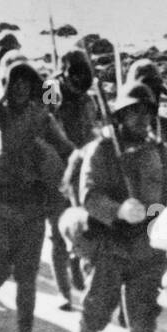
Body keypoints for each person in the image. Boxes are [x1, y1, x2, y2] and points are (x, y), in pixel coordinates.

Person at [70, 81, 167, 332]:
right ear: (120, 115)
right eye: (134, 112)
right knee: (98, 310)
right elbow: (88, 195)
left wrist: (166, 220)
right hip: (111, 244)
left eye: (147, 111)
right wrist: (117, 210)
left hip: (148, 248)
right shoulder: (102, 149)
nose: (142, 118)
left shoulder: (159, 151)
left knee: (144, 318)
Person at [0, 56, 74, 332]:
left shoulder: (41, 118)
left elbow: (66, 149)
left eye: (27, 83)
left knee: (28, 276)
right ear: (7, 85)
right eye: (16, 83)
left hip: (31, 206)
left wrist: (76, 161)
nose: (21, 89)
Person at [43, 49, 102, 306]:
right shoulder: (51, 90)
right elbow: (42, 117)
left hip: (82, 169)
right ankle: (63, 292)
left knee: (82, 225)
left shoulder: (89, 101)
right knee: (57, 230)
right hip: (56, 168)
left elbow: (95, 129)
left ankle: (78, 269)